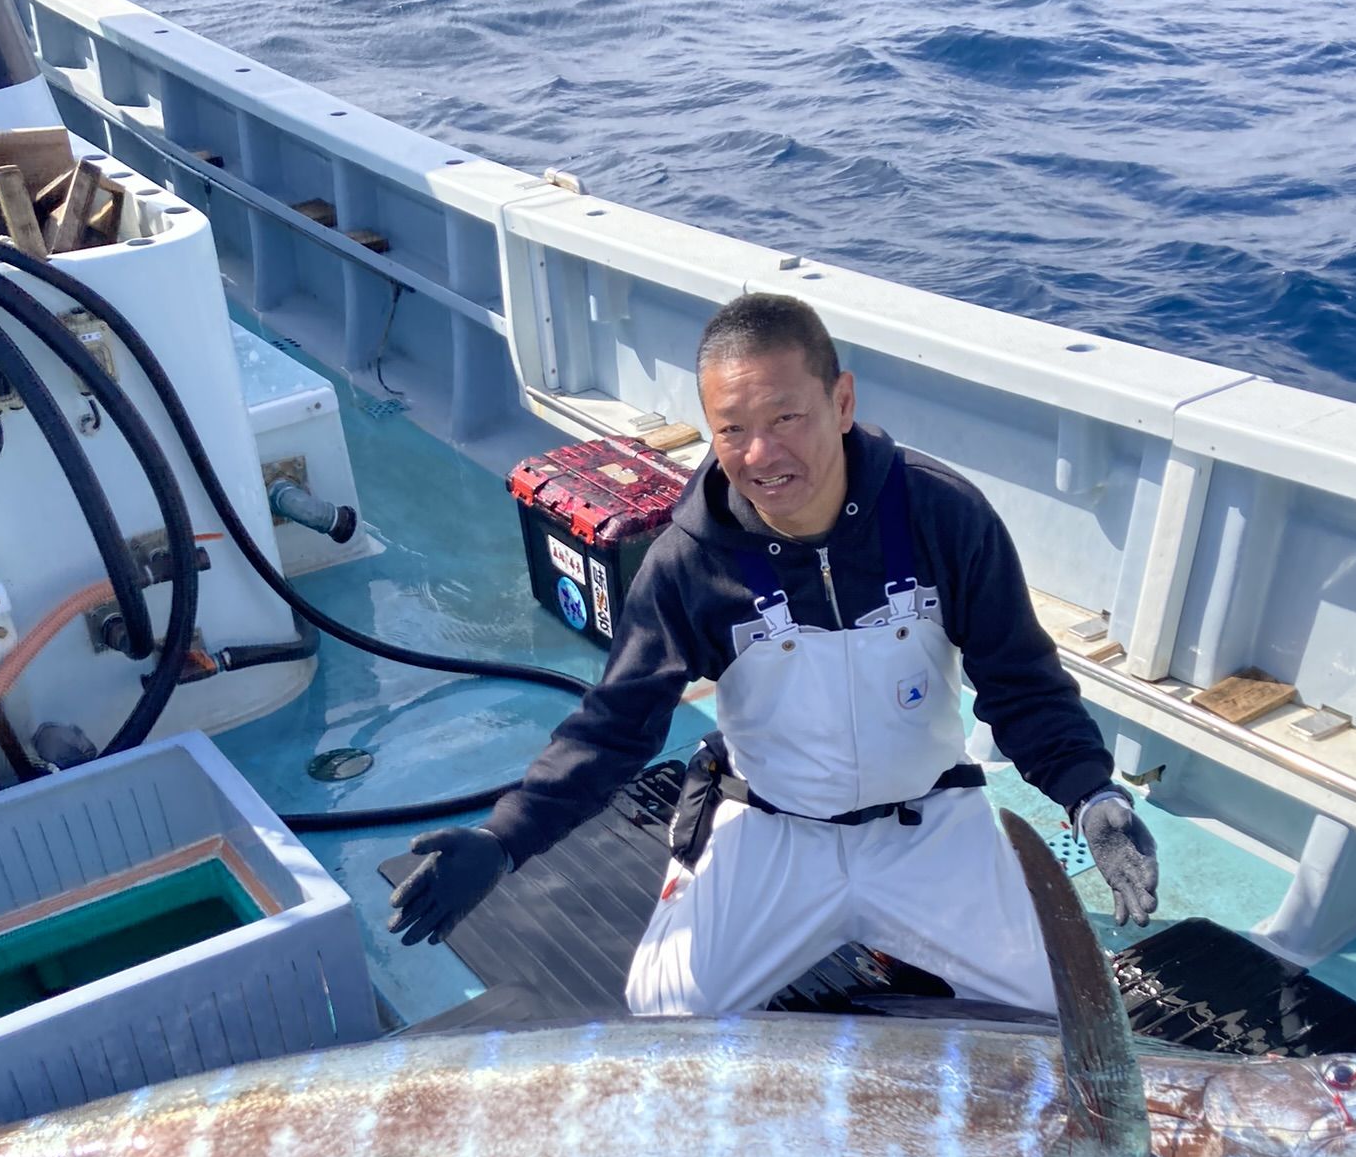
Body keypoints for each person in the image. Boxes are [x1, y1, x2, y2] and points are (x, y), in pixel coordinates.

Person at [388, 293, 1158, 1013]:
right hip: (772, 826)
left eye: (786, 417)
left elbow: (1022, 684)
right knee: (667, 1016)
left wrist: (1091, 796)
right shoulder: (688, 562)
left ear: (842, 402)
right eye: (731, 430)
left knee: (1052, 1014)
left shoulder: (944, 516)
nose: (761, 454)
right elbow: (615, 725)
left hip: (927, 824)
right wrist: (504, 839)